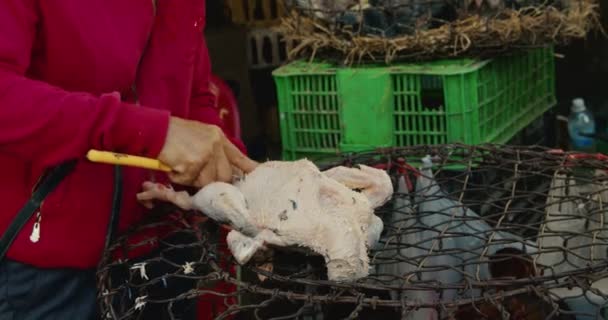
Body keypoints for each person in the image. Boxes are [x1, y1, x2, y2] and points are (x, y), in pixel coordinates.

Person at [0, 0, 257, 319]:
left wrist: (235, 168)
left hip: (165, 252)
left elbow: (193, 95)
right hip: (51, 273)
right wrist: (150, 133)